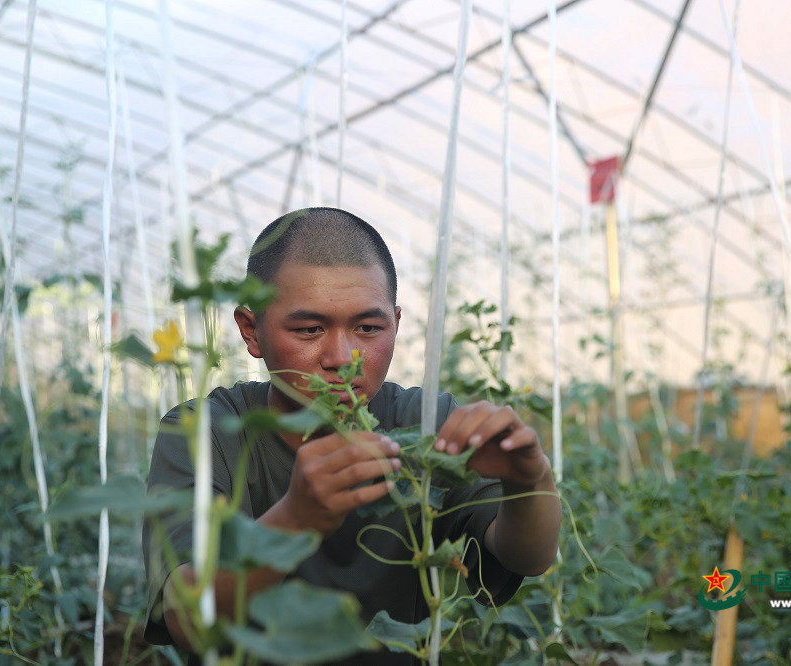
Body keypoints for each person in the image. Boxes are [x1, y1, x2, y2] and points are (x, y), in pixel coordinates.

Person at [142, 207, 562, 664]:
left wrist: (529, 478)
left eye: (368, 328)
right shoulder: (207, 432)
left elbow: (528, 557)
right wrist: (296, 518)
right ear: (252, 330)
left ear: (396, 325)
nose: (342, 358)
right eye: (309, 329)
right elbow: (187, 620)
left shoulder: (426, 424)